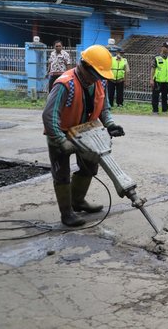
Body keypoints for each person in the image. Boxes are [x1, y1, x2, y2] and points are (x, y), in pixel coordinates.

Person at [42, 44, 125, 227]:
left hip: (86, 131)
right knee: (61, 174)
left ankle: (78, 201)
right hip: (61, 132)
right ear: (84, 66)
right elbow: (49, 115)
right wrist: (60, 140)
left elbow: (104, 108)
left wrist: (110, 125)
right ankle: (67, 214)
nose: (98, 78)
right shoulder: (65, 84)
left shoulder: (99, 82)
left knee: (89, 166)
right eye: (96, 74)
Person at [150, 42, 168, 114]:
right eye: (166, 47)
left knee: (165, 96)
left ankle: (164, 110)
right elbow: (153, 68)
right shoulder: (157, 58)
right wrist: (151, 79)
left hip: (166, 81)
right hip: (158, 80)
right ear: (162, 48)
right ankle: (155, 110)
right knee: (155, 96)